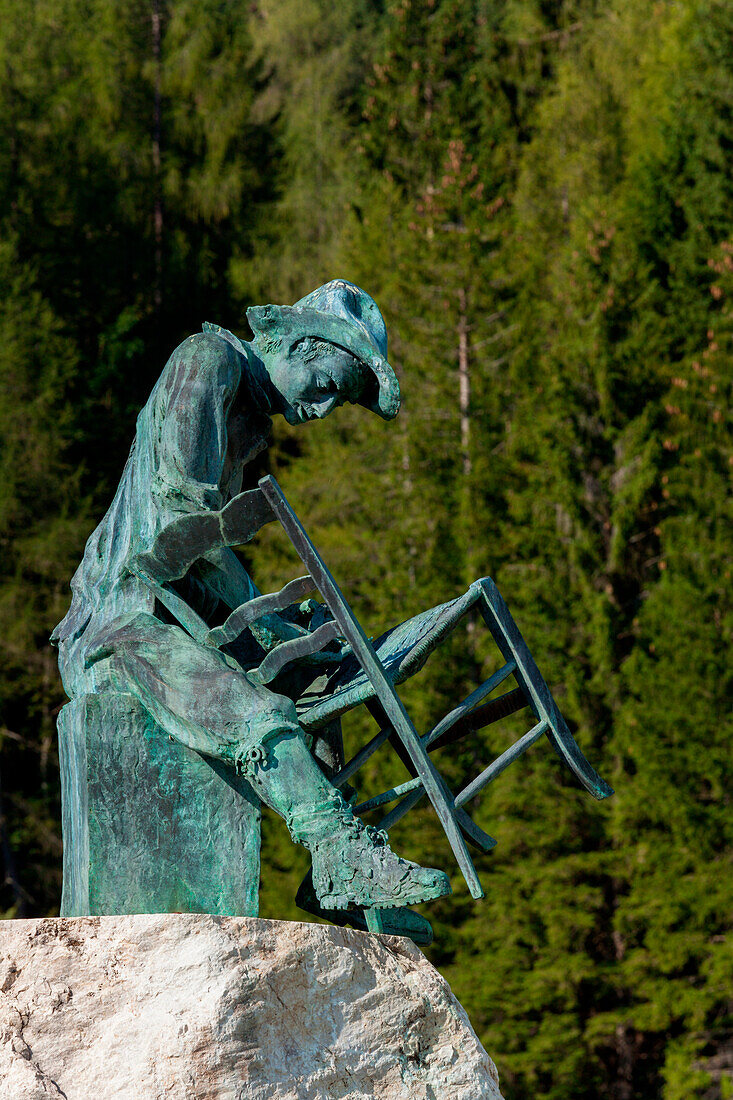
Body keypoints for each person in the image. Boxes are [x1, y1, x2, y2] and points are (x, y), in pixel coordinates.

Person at [52, 279, 450, 919]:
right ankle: (341, 850)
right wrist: (261, 618)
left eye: (339, 402)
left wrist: (280, 627)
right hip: (124, 619)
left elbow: (204, 551)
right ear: (297, 340)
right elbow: (184, 518)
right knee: (252, 705)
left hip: (180, 604)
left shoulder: (248, 413)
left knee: (316, 671)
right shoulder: (208, 361)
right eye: (328, 382)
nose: (323, 407)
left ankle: (335, 882)